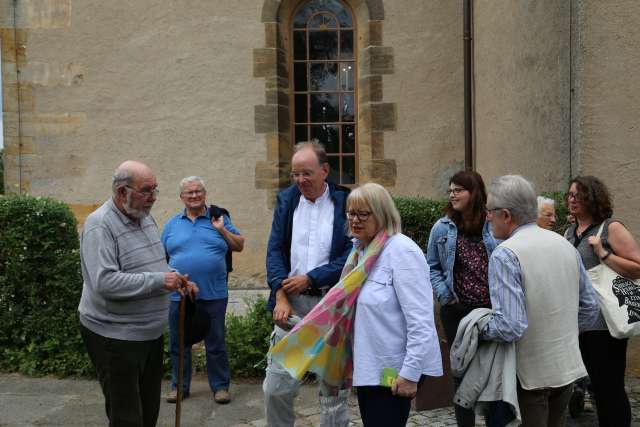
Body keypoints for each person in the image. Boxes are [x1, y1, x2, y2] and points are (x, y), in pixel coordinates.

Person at [78, 160, 197, 427]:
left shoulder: (144, 217)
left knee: (149, 411)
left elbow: (155, 264)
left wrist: (176, 278)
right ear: (122, 192)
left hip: (149, 334)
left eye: (155, 190)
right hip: (115, 336)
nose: (152, 198)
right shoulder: (100, 225)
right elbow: (105, 282)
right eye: (146, 191)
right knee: (127, 417)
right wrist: (159, 281)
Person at [483, 174, 599, 427]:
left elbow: (510, 325)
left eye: (489, 211)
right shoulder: (564, 244)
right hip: (566, 367)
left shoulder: (505, 254)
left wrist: (479, 327)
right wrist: (563, 334)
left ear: (505, 214)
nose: (487, 217)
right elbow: (590, 307)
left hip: (528, 375)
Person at [263, 141, 352, 426]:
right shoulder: (287, 200)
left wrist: (312, 278)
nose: (300, 180)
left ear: (325, 170)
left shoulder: (346, 202)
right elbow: (274, 250)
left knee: (333, 396)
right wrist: (280, 295)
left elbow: (351, 255)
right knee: (276, 388)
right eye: (295, 174)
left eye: (307, 173)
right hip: (293, 307)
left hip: (332, 306)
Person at [348, 183, 443, 426]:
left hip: (394, 368)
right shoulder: (362, 251)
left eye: (362, 214)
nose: (354, 220)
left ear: (382, 214)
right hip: (370, 367)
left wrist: (410, 374)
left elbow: (421, 321)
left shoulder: (402, 252)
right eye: (350, 213)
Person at [162, 176, 245, 404]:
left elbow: (239, 245)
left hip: (214, 292)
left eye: (198, 191)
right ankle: (179, 388)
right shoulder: (172, 224)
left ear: (205, 194)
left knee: (215, 342)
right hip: (180, 294)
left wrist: (221, 230)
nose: (194, 195)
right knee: (179, 343)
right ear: (182, 197)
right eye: (189, 192)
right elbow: (161, 258)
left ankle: (220, 387)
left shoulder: (219, 218)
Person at [565, 176, 640, 427]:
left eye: (578, 195)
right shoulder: (569, 232)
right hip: (579, 323)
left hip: (606, 322)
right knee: (595, 387)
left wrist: (603, 253)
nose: (571, 199)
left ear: (592, 197)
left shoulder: (610, 228)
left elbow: (637, 267)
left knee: (610, 389)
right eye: (570, 195)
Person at [426, 170, 497, 427]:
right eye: (450, 190)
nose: (452, 194)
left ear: (474, 192)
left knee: (492, 370)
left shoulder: (494, 224)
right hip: (456, 310)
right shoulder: (442, 227)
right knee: (460, 370)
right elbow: (432, 266)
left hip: (490, 311)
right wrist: (446, 297)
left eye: (458, 190)